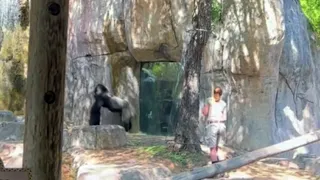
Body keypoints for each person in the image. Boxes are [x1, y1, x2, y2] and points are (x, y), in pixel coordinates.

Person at [202, 86, 227, 164]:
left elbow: (205, 113)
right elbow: (224, 117)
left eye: (216, 94)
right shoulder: (223, 103)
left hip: (212, 125)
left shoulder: (209, 100)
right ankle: (218, 162)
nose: (216, 95)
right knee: (217, 147)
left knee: (212, 148)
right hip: (222, 126)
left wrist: (208, 105)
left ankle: (215, 167)